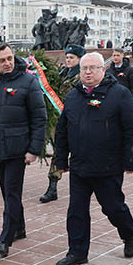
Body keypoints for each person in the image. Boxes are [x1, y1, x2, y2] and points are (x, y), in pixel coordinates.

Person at [54, 52, 133, 265]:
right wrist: (61, 160)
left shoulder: (119, 94)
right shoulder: (73, 96)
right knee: (76, 211)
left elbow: (132, 130)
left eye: (93, 68)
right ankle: (77, 252)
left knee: (113, 207)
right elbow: (63, 130)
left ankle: (129, 234)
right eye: (84, 68)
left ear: (103, 70)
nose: (88, 72)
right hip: (80, 166)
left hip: (108, 166)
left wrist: (131, 160)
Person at [0, 42, 46, 257]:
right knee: (7, 192)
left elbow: (39, 118)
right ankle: (19, 227)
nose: (7, 63)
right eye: (2, 60)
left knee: (12, 193)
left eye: (10, 58)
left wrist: (34, 149)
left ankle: (5, 240)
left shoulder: (29, 82)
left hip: (17, 149)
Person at [40, 43, 84, 203]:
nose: (68, 60)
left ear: (80, 59)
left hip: (78, 120)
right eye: (67, 57)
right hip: (62, 119)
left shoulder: (82, 76)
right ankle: (52, 187)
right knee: (59, 149)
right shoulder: (63, 72)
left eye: (71, 58)